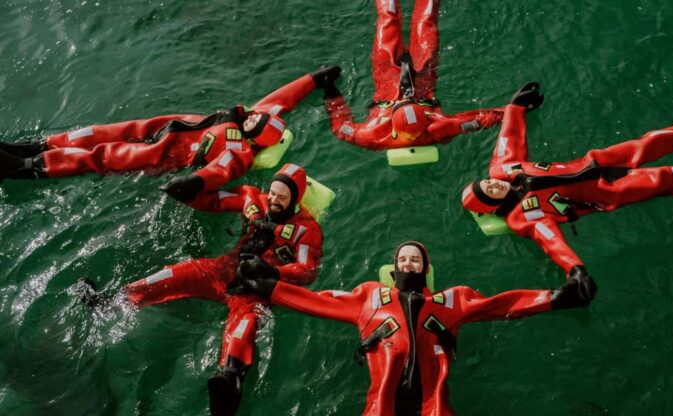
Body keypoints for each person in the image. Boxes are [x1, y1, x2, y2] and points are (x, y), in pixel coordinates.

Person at [461, 83, 673, 287]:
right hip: (606, 193)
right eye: (490, 191)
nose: (493, 184)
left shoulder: (503, 168)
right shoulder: (523, 218)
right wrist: (575, 269)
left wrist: (516, 107)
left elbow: (508, 140)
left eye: (487, 183)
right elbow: (551, 241)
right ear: (494, 206)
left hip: (594, 162)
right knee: (671, 176)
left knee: (650, 142)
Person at [232, 241, 595, 415]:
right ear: (394, 268)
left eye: (415, 258)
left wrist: (556, 298)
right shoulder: (369, 296)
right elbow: (318, 302)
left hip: (433, 400)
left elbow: (502, 304)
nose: (408, 262)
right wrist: (267, 285)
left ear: (425, 267)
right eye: (403, 259)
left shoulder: (454, 300)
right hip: (382, 400)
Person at [76, 163, 323, 416]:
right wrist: (190, 190)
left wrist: (273, 272)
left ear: (295, 198)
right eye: (273, 193)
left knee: (245, 324)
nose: (274, 200)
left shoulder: (306, 230)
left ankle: (229, 379)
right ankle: (110, 300)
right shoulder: (254, 199)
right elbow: (215, 201)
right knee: (174, 273)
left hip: (254, 288)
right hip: (224, 269)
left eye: (282, 197)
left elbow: (306, 270)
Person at [0, 67, 340, 202]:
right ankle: (33, 146)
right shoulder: (250, 116)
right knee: (96, 133)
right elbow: (281, 100)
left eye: (257, 127)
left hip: (164, 154)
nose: (253, 121)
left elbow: (221, 171)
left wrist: (194, 183)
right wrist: (313, 80)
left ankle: (25, 166)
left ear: (259, 140)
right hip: (159, 126)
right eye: (256, 119)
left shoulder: (241, 152)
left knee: (101, 156)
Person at [321, 0, 505, 150]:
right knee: (426, 21)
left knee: (388, 17)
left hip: (387, 77)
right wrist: (513, 110)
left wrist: (331, 92)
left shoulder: (372, 136)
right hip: (423, 76)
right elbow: (478, 120)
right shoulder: (437, 128)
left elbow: (341, 128)